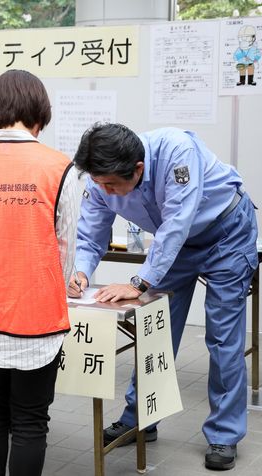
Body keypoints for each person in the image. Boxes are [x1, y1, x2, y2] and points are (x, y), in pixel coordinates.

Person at [68, 123, 258, 471]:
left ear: (138, 169)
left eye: (111, 184)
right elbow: (92, 232)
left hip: (226, 234)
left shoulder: (177, 152)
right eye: (98, 182)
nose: (103, 190)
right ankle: (138, 418)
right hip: (176, 247)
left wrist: (139, 283)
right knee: (155, 332)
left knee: (223, 338)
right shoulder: (101, 179)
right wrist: (80, 271)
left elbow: (176, 222)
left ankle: (224, 433)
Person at [0, 69, 79, 476]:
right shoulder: (60, 167)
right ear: (40, 111)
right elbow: (65, 249)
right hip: (36, 318)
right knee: (29, 421)